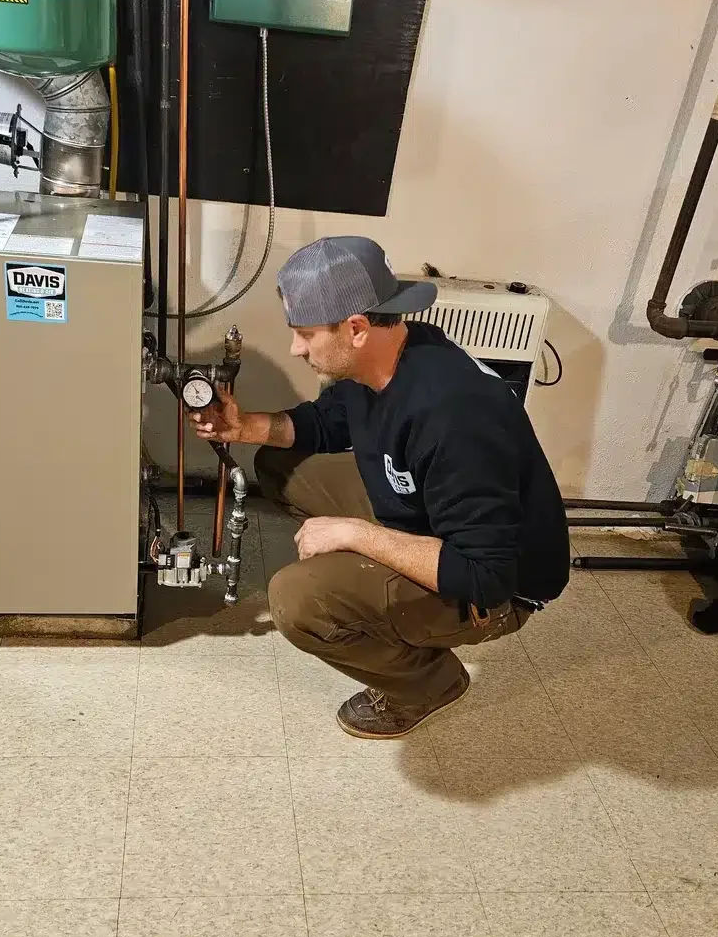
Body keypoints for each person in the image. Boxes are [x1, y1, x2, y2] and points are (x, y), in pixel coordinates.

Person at [189, 236, 569, 739]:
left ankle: (431, 684)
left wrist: (356, 535)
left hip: (500, 588)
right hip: (436, 517)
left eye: (304, 334)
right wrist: (245, 427)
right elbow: (328, 422)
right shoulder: (394, 353)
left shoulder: (454, 416)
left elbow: (486, 576)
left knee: (299, 601)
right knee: (282, 465)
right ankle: (377, 576)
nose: (295, 348)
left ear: (356, 328)